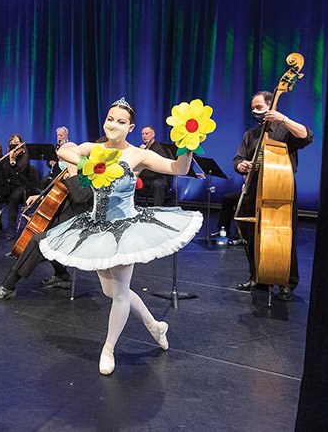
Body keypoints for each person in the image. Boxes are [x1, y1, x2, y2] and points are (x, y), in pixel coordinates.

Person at [38, 97, 204, 375]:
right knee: (112, 291)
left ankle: (108, 348)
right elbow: (64, 151)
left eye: (121, 121)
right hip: (95, 227)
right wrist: (88, 162)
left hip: (126, 228)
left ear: (131, 127)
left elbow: (180, 169)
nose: (113, 124)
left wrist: (188, 144)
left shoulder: (138, 155)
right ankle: (155, 325)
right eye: (110, 119)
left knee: (120, 293)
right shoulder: (94, 148)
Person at [0, 140, 101, 302]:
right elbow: (58, 194)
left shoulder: (94, 175)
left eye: (66, 159)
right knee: (43, 237)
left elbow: (81, 197)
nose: (63, 162)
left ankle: (9, 285)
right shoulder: (74, 172)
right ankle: (62, 275)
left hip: (82, 228)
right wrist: (39, 197)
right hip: (65, 223)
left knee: (38, 242)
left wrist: (73, 172)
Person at [233, 91, 314, 301]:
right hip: (254, 188)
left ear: (271, 106)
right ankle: (257, 277)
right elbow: (238, 158)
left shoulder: (283, 129)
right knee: (251, 236)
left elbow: (307, 136)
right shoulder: (250, 134)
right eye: (253, 107)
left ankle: (286, 283)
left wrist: (283, 119)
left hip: (280, 188)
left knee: (285, 238)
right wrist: (241, 165)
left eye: (259, 107)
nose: (255, 111)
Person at [0, 135, 31, 240]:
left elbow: (19, 172)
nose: (15, 145)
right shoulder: (8, 155)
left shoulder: (24, 156)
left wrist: (13, 162)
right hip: (9, 185)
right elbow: (3, 171)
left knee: (13, 199)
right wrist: (9, 160)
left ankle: (11, 231)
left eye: (17, 143)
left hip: (21, 185)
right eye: (12, 143)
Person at [135, 126, 172, 206]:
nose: (144, 136)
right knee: (131, 181)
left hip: (157, 178)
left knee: (158, 184)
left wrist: (147, 153)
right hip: (145, 179)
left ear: (153, 134)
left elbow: (163, 162)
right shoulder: (142, 148)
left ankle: (157, 209)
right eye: (142, 134)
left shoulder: (159, 148)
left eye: (146, 133)